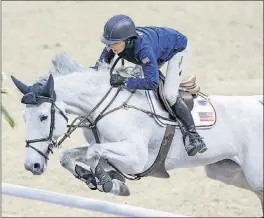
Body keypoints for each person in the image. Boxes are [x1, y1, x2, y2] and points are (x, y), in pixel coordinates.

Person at [94, 14, 206, 156]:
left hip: (178, 49)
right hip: (157, 48)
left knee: (169, 94)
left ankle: (193, 136)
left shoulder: (143, 49)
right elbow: (100, 67)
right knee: (135, 76)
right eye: (108, 43)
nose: (110, 46)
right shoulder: (114, 45)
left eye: (114, 43)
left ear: (127, 41)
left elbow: (152, 83)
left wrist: (124, 81)